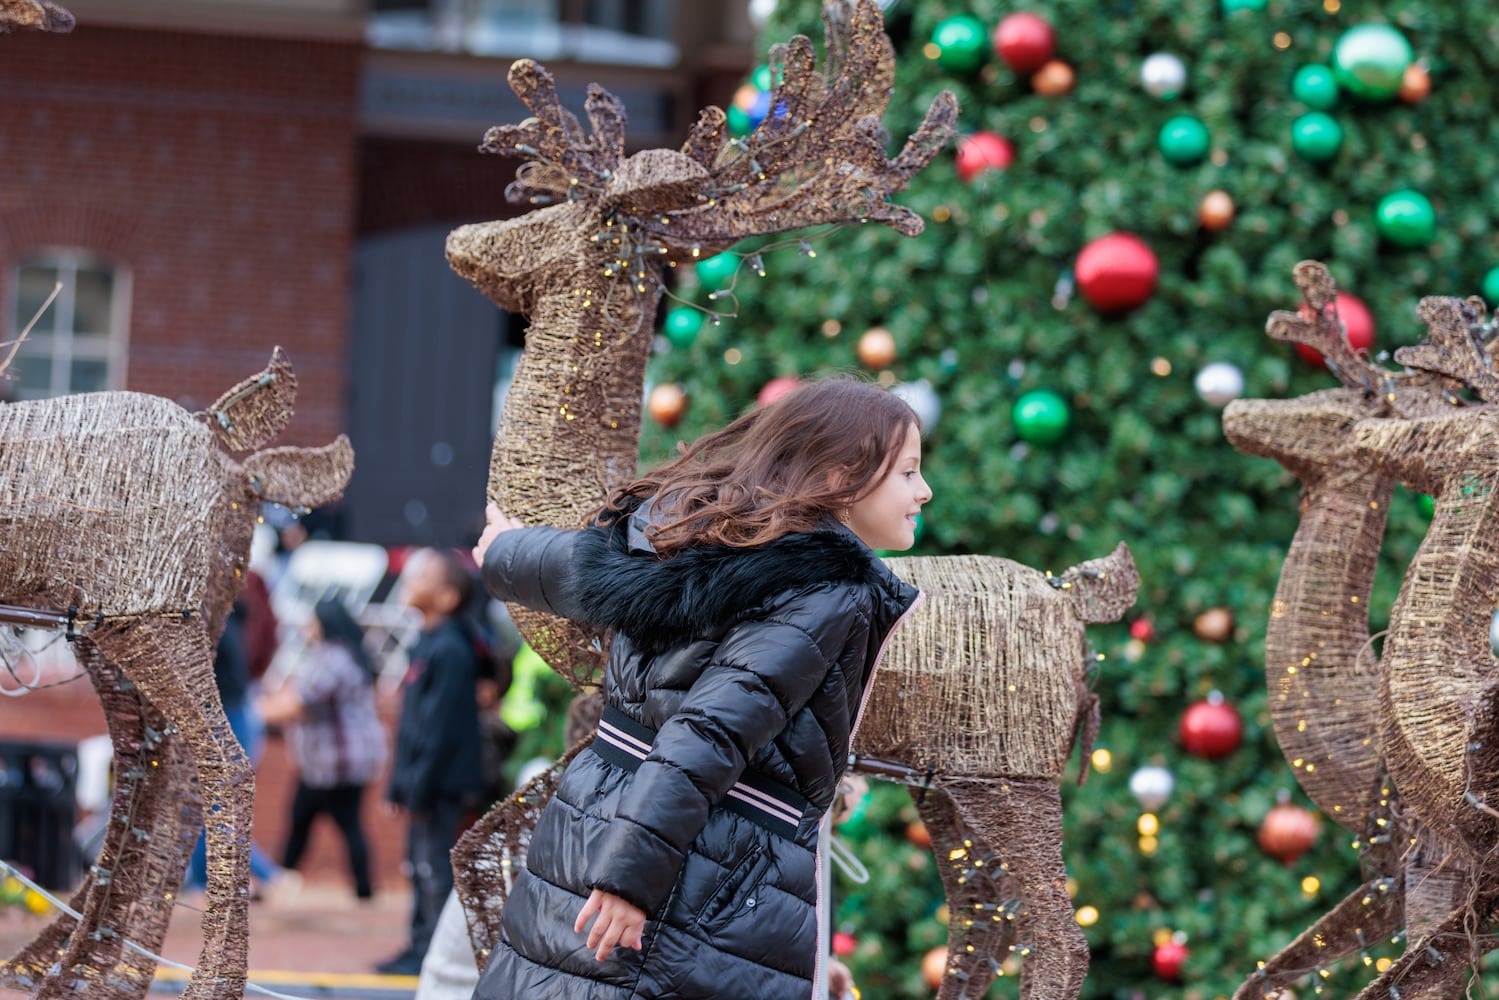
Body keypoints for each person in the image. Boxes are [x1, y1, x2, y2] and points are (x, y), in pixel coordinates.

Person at [468, 378, 929, 1000]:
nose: (923, 491)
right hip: (696, 866)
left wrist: (504, 552)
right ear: (844, 474)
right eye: (908, 472)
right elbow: (709, 731)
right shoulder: (829, 588)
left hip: (598, 815)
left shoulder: (695, 541)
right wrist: (632, 880)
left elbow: (577, 569)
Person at [378, 549, 486, 976]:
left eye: (424, 575)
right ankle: (417, 945)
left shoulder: (451, 649)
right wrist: (397, 784)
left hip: (441, 783)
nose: (411, 578)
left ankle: (432, 952)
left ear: (447, 597)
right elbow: (412, 727)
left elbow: (439, 730)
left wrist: (417, 786)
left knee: (433, 869)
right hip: (423, 781)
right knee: (419, 866)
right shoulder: (427, 643)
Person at [257, 598, 386, 901]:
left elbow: (301, 702)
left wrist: (250, 714)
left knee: (340, 821)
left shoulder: (335, 657)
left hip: (338, 762)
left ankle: (282, 879)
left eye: (311, 621)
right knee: (308, 818)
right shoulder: (342, 654)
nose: (306, 628)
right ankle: (283, 878)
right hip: (335, 761)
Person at [183, 603, 296, 901]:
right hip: (231, 715)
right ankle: (203, 882)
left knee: (215, 806)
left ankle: (267, 875)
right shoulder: (227, 621)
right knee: (201, 804)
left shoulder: (220, 625)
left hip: (229, 718)